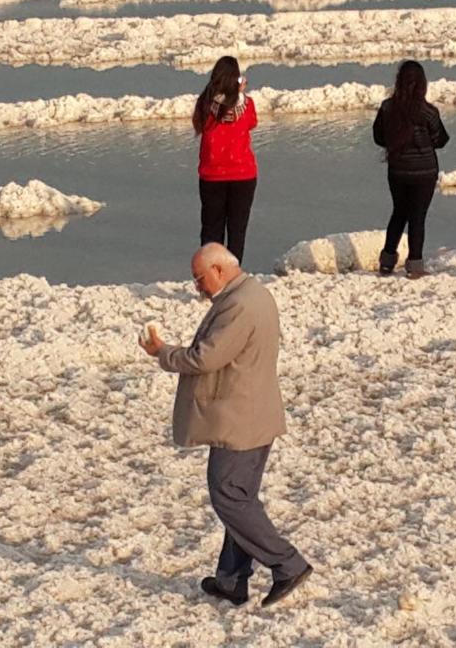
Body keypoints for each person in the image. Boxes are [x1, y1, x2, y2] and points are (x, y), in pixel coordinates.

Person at [139, 243, 313, 607]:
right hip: (253, 412)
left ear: (219, 270)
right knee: (240, 498)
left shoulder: (239, 305)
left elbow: (206, 358)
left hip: (241, 419)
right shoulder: (253, 293)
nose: (197, 287)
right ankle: (232, 579)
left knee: (229, 497)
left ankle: (287, 563)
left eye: (199, 278)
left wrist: (162, 352)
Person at [372, 60, 450, 278]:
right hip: (425, 171)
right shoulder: (428, 112)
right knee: (417, 217)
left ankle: (387, 261)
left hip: (397, 169)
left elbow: (378, 137)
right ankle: (415, 265)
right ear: (423, 84)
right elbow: (441, 139)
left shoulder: (388, 108)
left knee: (399, 212)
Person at [193, 56, 259, 264]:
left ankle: (209, 276)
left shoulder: (205, 104)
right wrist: (239, 93)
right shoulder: (246, 105)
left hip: (212, 177)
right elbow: (252, 123)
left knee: (211, 230)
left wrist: (232, 93)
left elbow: (200, 124)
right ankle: (232, 277)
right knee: (237, 230)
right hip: (243, 176)